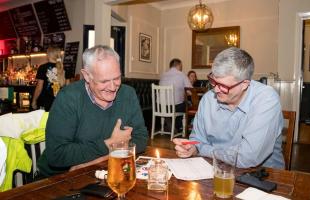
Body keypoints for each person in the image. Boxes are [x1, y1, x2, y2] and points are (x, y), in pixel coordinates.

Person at [37, 45, 148, 177]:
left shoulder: (128, 94)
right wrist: (111, 143)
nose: (113, 87)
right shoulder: (68, 98)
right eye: (104, 81)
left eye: (117, 78)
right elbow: (57, 155)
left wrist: (92, 162)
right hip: (57, 179)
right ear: (87, 76)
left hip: (101, 171)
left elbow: (141, 139)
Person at [173, 47, 284, 169]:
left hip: (263, 176)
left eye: (223, 86)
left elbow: (247, 158)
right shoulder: (209, 99)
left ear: (244, 84)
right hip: (215, 170)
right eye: (213, 81)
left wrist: (202, 149)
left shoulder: (266, 99)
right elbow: (197, 139)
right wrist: (192, 148)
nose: (215, 89)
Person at [159, 58, 192, 131]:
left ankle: (170, 124)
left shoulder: (163, 75)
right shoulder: (181, 74)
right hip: (175, 107)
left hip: (161, 107)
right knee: (187, 105)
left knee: (174, 104)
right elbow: (190, 91)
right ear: (179, 65)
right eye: (181, 66)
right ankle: (178, 127)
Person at [31, 47, 68, 111]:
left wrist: (34, 101)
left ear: (48, 55)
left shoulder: (42, 68)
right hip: (61, 103)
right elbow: (68, 88)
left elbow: (39, 88)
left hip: (45, 102)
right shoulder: (64, 68)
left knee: (45, 120)